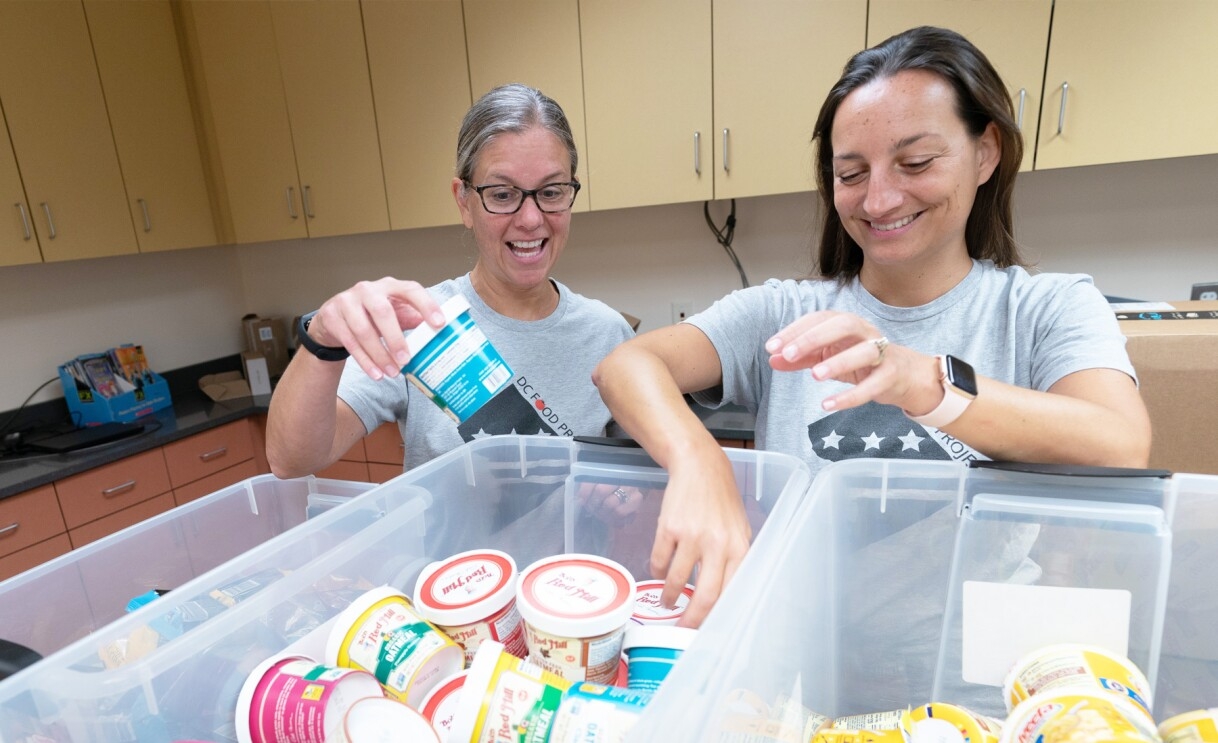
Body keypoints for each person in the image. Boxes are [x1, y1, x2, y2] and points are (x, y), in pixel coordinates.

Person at [592, 26, 1151, 627]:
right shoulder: (783, 314)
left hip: (976, 678)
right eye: (852, 174)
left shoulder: (1047, 307)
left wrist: (924, 382)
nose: (879, 200)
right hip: (802, 649)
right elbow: (625, 365)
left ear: (985, 152)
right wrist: (697, 460)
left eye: (915, 162)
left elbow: (1120, 443)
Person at [267, 83, 634, 477]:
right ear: (464, 201)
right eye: (503, 194)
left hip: (575, 542)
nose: (531, 219)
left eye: (550, 191)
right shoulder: (416, 325)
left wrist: (620, 496)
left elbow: (635, 479)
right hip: (456, 543)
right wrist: (321, 339)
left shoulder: (608, 335)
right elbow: (292, 460)